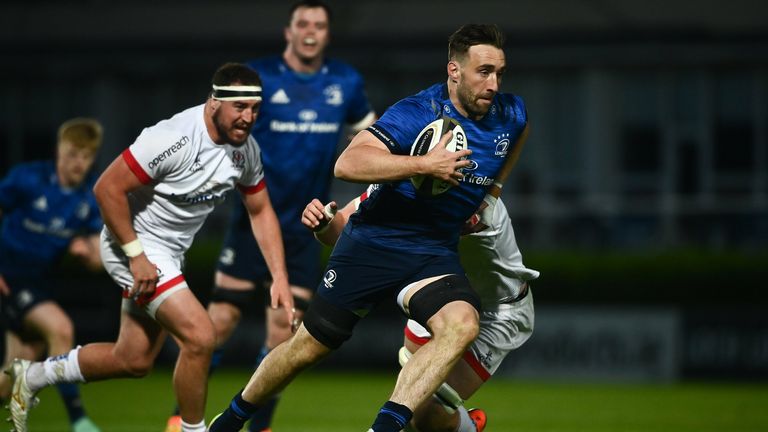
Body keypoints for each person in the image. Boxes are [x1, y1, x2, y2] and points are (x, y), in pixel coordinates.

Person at [208, 23, 530, 432]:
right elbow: (348, 163)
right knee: (306, 348)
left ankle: (384, 428)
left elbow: (519, 131)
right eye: (483, 71)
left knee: (462, 324)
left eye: (499, 72)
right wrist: (423, 164)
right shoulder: (417, 112)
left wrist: (494, 191)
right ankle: (231, 419)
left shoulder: (509, 112)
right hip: (373, 242)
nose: (493, 83)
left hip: (432, 252)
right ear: (453, 70)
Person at [5, 62, 294, 432]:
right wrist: (136, 255)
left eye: (254, 108)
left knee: (133, 360)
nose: (248, 117)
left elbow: (260, 210)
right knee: (201, 336)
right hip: (133, 246)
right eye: (239, 107)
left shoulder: (245, 151)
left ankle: (32, 376)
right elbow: (106, 189)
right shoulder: (173, 139)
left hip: (167, 256)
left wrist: (280, 276)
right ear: (213, 103)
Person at [163, 2, 376, 432]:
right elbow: (218, 127)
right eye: (303, 24)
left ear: (327, 34)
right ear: (289, 32)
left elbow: (368, 137)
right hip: (252, 223)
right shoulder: (259, 78)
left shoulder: (346, 82)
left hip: (303, 230)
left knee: (283, 332)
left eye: (319, 24)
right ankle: (183, 419)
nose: (310, 31)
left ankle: (260, 424)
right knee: (218, 322)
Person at [301, 186, 538, 432]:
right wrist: (324, 222)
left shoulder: (472, 196)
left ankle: (461, 427)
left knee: (424, 413)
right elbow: (342, 227)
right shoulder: (399, 185)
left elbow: (463, 217)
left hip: (498, 312)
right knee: (417, 415)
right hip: (442, 297)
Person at [0, 118, 104, 432]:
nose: (79, 163)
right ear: (59, 151)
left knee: (12, 378)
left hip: (39, 284)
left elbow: (99, 260)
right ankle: (79, 421)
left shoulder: (88, 199)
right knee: (60, 329)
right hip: (9, 277)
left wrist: (87, 250)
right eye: (73, 154)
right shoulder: (28, 179)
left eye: (86, 157)